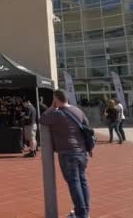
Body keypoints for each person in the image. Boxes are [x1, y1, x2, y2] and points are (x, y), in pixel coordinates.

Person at [40, 89, 91, 218]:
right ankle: (85, 211)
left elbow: (43, 118)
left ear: (56, 99)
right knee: (82, 180)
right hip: (82, 151)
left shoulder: (58, 114)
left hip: (68, 152)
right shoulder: (77, 110)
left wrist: (52, 106)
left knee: (74, 183)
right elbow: (87, 125)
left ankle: (81, 213)